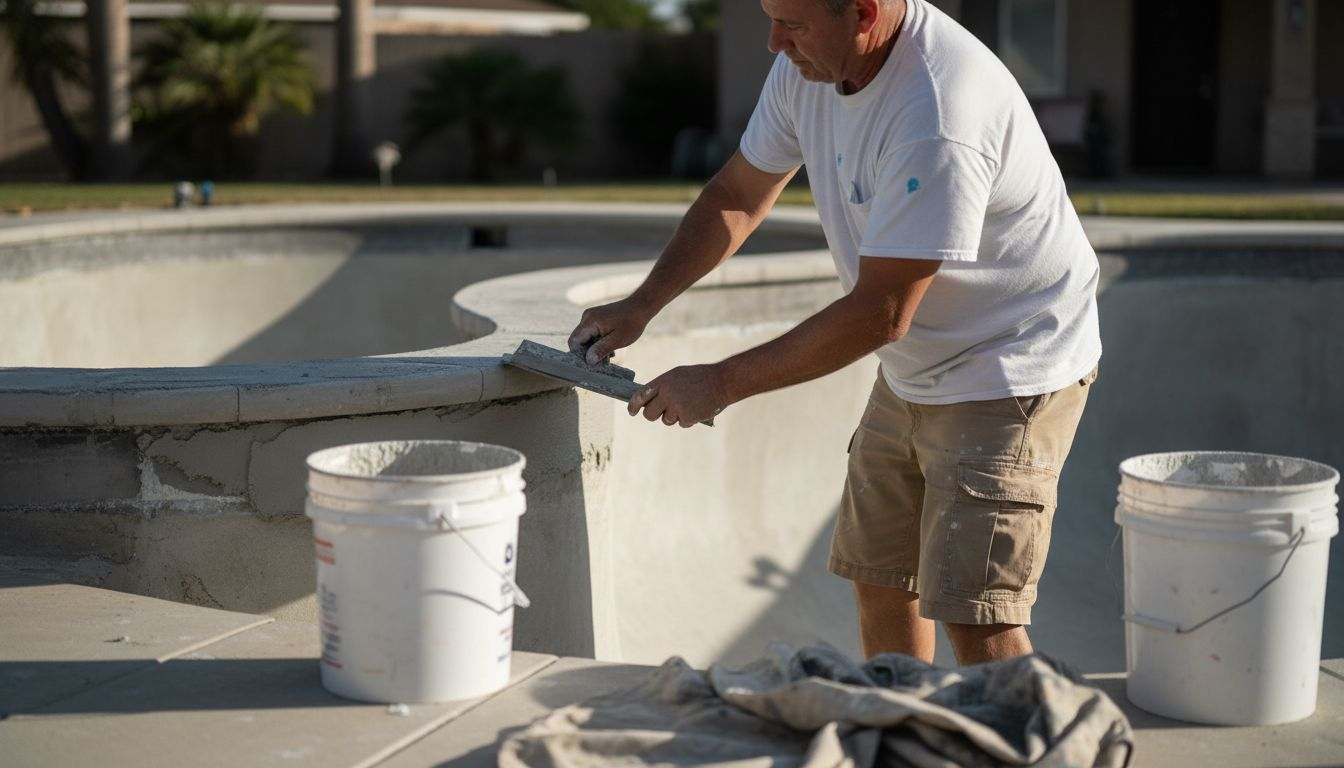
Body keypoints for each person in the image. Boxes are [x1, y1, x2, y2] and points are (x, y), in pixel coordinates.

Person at [567, 0, 1100, 666]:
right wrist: (642, 304)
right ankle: (904, 734)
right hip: (916, 366)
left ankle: (1036, 744)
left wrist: (720, 382)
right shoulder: (810, 65)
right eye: (769, 17)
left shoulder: (937, 110)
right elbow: (737, 194)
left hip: (1009, 365)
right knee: (879, 579)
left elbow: (882, 312)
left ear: (863, 14)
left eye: (790, 23)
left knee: (976, 612)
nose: (772, 42)